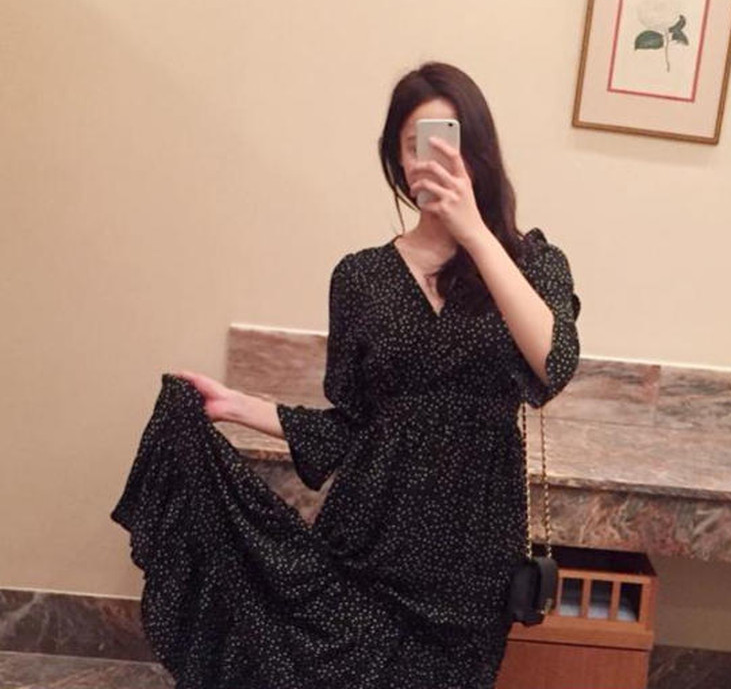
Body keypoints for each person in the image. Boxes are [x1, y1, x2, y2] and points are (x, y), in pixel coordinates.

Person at [111, 61, 581, 689]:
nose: (431, 160)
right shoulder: (361, 277)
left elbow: (555, 365)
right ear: (396, 159)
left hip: (473, 558)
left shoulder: (533, 264)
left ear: (480, 152)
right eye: (414, 145)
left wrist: (474, 233)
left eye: (448, 141)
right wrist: (239, 407)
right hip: (369, 542)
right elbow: (354, 427)